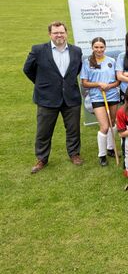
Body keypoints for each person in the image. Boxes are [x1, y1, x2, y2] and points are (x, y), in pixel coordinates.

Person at [24, 21, 84, 173]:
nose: (59, 35)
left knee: (73, 129)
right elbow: (27, 69)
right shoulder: (38, 50)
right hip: (47, 98)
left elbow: (76, 70)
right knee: (44, 130)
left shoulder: (76, 51)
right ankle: (42, 159)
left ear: (66, 33)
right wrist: (41, 84)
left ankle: (74, 154)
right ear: (50, 34)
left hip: (71, 97)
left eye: (62, 32)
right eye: (56, 32)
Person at [80, 37, 120, 166]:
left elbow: (118, 80)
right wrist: (98, 84)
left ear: (105, 47)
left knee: (112, 122)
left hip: (112, 96)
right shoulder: (87, 63)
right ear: (92, 48)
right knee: (104, 126)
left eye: (101, 47)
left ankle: (110, 148)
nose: (99, 50)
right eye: (96, 47)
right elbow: (84, 83)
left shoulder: (112, 61)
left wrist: (110, 86)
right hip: (98, 97)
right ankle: (102, 155)